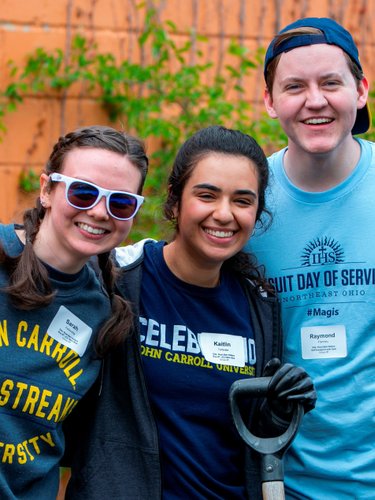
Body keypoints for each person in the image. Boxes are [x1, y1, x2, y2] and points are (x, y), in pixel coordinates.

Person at [64, 125, 316, 499]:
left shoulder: (259, 304)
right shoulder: (117, 279)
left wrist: (277, 410)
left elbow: (251, 435)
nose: (224, 213)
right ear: (175, 200)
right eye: (207, 195)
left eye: (243, 201)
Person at [245, 17, 374, 499]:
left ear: (360, 90)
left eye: (331, 83)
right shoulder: (245, 201)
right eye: (294, 86)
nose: (314, 101)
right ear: (270, 101)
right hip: (279, 481)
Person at [0, 125, 148, 499]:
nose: (99, 212)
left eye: (121, 202)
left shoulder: (103, 312)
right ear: (47, 189)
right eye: (83, 192)